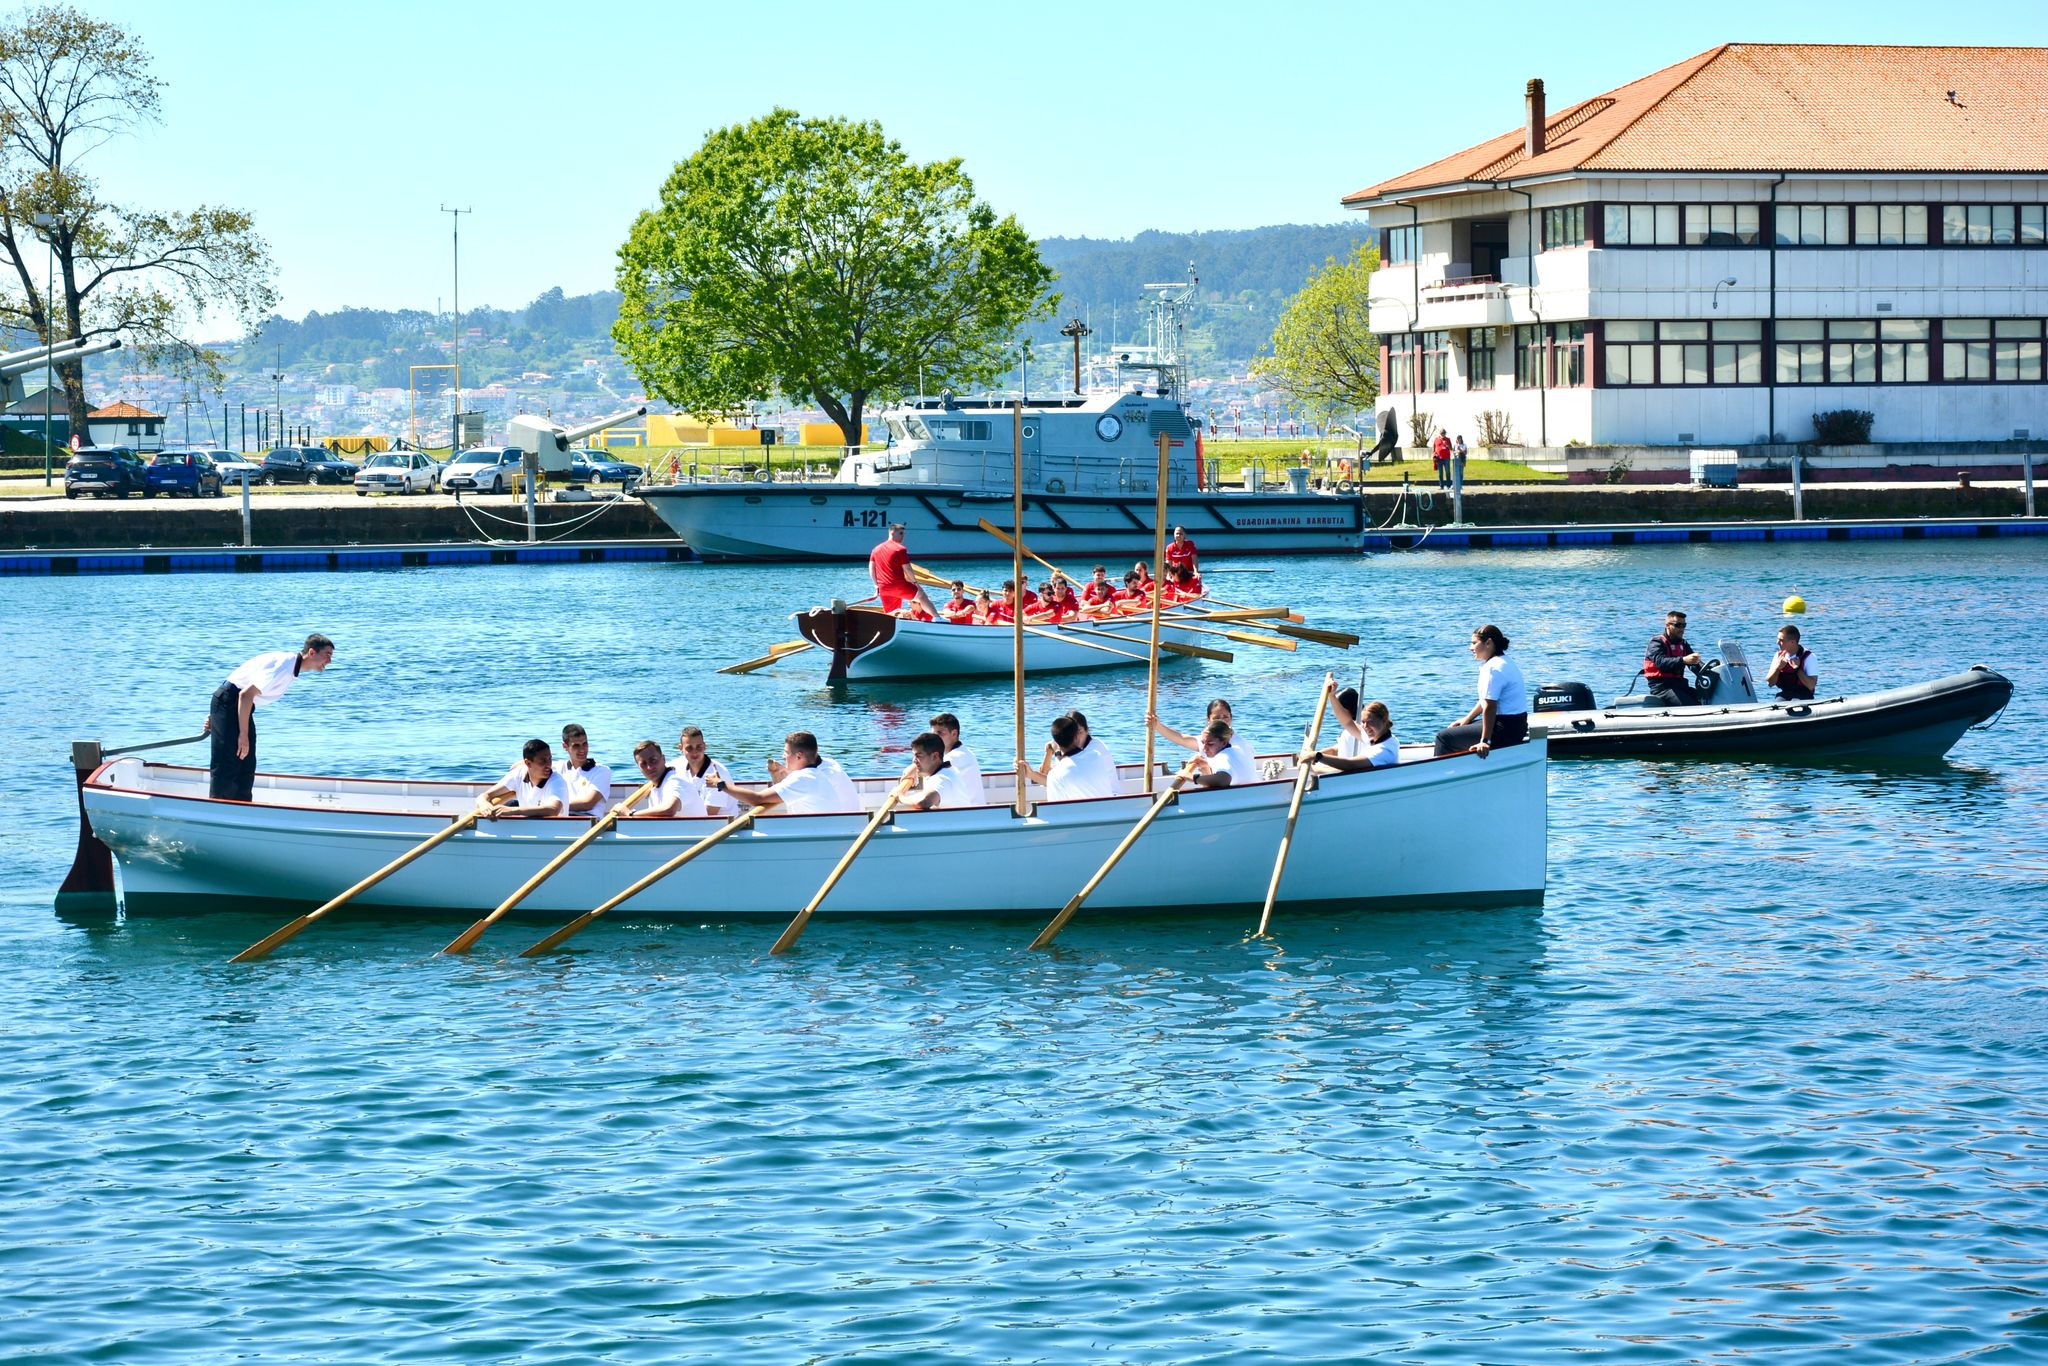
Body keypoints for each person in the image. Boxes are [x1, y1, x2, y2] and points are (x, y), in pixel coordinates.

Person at [205, 633, 335, 801]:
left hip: (236, 705)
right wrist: (241, 733)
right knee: (229, 760)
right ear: (311, 652)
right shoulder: (284, 666)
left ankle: (241, 805)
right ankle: (218, 806)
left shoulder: (291, 668)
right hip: (230, 702)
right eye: (327, 655)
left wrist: (217, 718)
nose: (330, 661)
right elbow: (244, 694)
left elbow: (244, 684)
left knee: (246, 761)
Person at [1435, 623, 1530, 756]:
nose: (1470, 648)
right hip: (1518, 726)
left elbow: (1490, 706)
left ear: (1488, 643)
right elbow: (1486, 700)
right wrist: (1467, 719)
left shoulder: (1492, 668)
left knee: (1444, 737)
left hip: (1504, 729)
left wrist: (1485, 741)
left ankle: (1442, 769)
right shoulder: (1505, 661)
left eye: (1474, 643)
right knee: (1462, 728)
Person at [720, 730, 862, 814]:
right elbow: (787, 789)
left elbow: (758, 799)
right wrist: (778, 773)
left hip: (831, 832)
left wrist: (720, 784)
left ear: (799, 756)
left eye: (786, 752)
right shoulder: (816, 772)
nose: (783, 756)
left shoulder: (806, 778)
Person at [1024, 714, 1120, 801]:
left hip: (1111, 798)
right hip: (1109, 807)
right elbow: (1061, 772)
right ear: (1075, 736)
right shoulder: (1096, 756)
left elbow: (1056, 806)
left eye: (1080, 731)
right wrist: (1032, 773)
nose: (1079, 736)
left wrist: (1055, 752)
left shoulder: (1095, 749)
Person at [477, 738, 572, 820]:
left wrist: (511, 811)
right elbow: (485, 795)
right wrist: (484, 805)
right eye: (543, 760)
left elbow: (553, 810)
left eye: (550, 759)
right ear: (528, 763)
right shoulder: (518, 774)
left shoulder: (557, 781)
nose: (548, 765)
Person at [1152, 698, 1257, 770]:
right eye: (1216, 718)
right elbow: (1181, 739)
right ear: (1208, 720)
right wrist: (1157, 725)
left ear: (1231, 718)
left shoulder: (1241, 745)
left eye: (1225, 717)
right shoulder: (1207, 741)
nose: (1222, 721)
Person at [617, 739, 707, 818]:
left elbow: (669, 810)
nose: (649, 767)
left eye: (653, 760)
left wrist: (630, 814)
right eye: (643, 764)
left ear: (663, 759)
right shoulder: (655, 786)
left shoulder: (675, 781)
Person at [1643, 609, 1706, 707]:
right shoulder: (1656, 642)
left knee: (1706, 698)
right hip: (1662, 688)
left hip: (1680, 686)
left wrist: (1709, 669)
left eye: (1684, 625)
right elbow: (1661, 662)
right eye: (1678, 625)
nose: (1681, 629)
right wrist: (1683, 660)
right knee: (1691, 705)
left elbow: (1694, 664)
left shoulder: (1683, 643)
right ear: (1668, 626)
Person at [868, 523, 933, 617]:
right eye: (901, 533)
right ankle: (937, 618)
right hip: (899, 585)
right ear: (892, 532)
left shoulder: (875, 549)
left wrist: (876, 585)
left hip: (883, 588)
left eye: (904, 534)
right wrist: (915, 583)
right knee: (922, 596)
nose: (903, 537)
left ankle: (891, 623)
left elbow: (871, 568)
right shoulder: (900, 549)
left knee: (892, 612)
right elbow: (907, 569)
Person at [1321, 698, 1400, 770]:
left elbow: (1350, 765)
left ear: (1384, 720)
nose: (1365, 726)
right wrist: (1332, 696)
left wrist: (1318, 757)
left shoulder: (1385, 750)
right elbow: (1347, 722)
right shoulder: (1376, 736)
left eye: (1370, 722)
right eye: (1363, 722)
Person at [903, 731, 976, 809]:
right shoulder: (943, 770)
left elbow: (923, 802)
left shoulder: (943, 779)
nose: (914, 760)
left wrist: (900, 796)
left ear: (935, 756)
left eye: (918, 756)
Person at [679, 725, 738, 817]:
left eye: (699, 747)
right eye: (689, 748)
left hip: (720, 823)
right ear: (681, 748)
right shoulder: (678, 766)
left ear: (705, 746)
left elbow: (708, 814)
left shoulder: (718, 774)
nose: (694, 752)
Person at [558, 722, 614, 819]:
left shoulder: (602, 771)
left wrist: (554, 806)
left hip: (589, 820)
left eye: (585, 744)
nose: (582, 750)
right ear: (565, 746)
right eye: (576, 746)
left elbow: (587, 804)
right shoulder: (557, 767)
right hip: (561, 819)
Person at [928, 712, 984, 801]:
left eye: (939, 734)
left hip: (969, 809)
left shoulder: (956, 757)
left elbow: (925, 769)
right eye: (933, 735)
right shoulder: (963, 751)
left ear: (954, 734)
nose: (934, 739)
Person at [1187, 718, 1251, 788]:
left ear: (1224, 743)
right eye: (1203, 743)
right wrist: (1206, 768)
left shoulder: (1222, 756)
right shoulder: (1236, 750)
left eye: (1210, 744)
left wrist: (1192, 777)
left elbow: (1223, 780)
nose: (1204, 748)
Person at [1765, 624, 1817, 701]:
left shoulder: (1809, 657)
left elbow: (1811, 686)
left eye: (1781, 640)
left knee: (1795, 702)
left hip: (1804, 695)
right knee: (1778, 702)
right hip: (1785, 694)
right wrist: (1777, 669)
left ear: (1792, 642)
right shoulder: (1778, 656)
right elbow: (1770, 683)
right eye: (1778, 639)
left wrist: (1797, 669)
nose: (1777, 642)